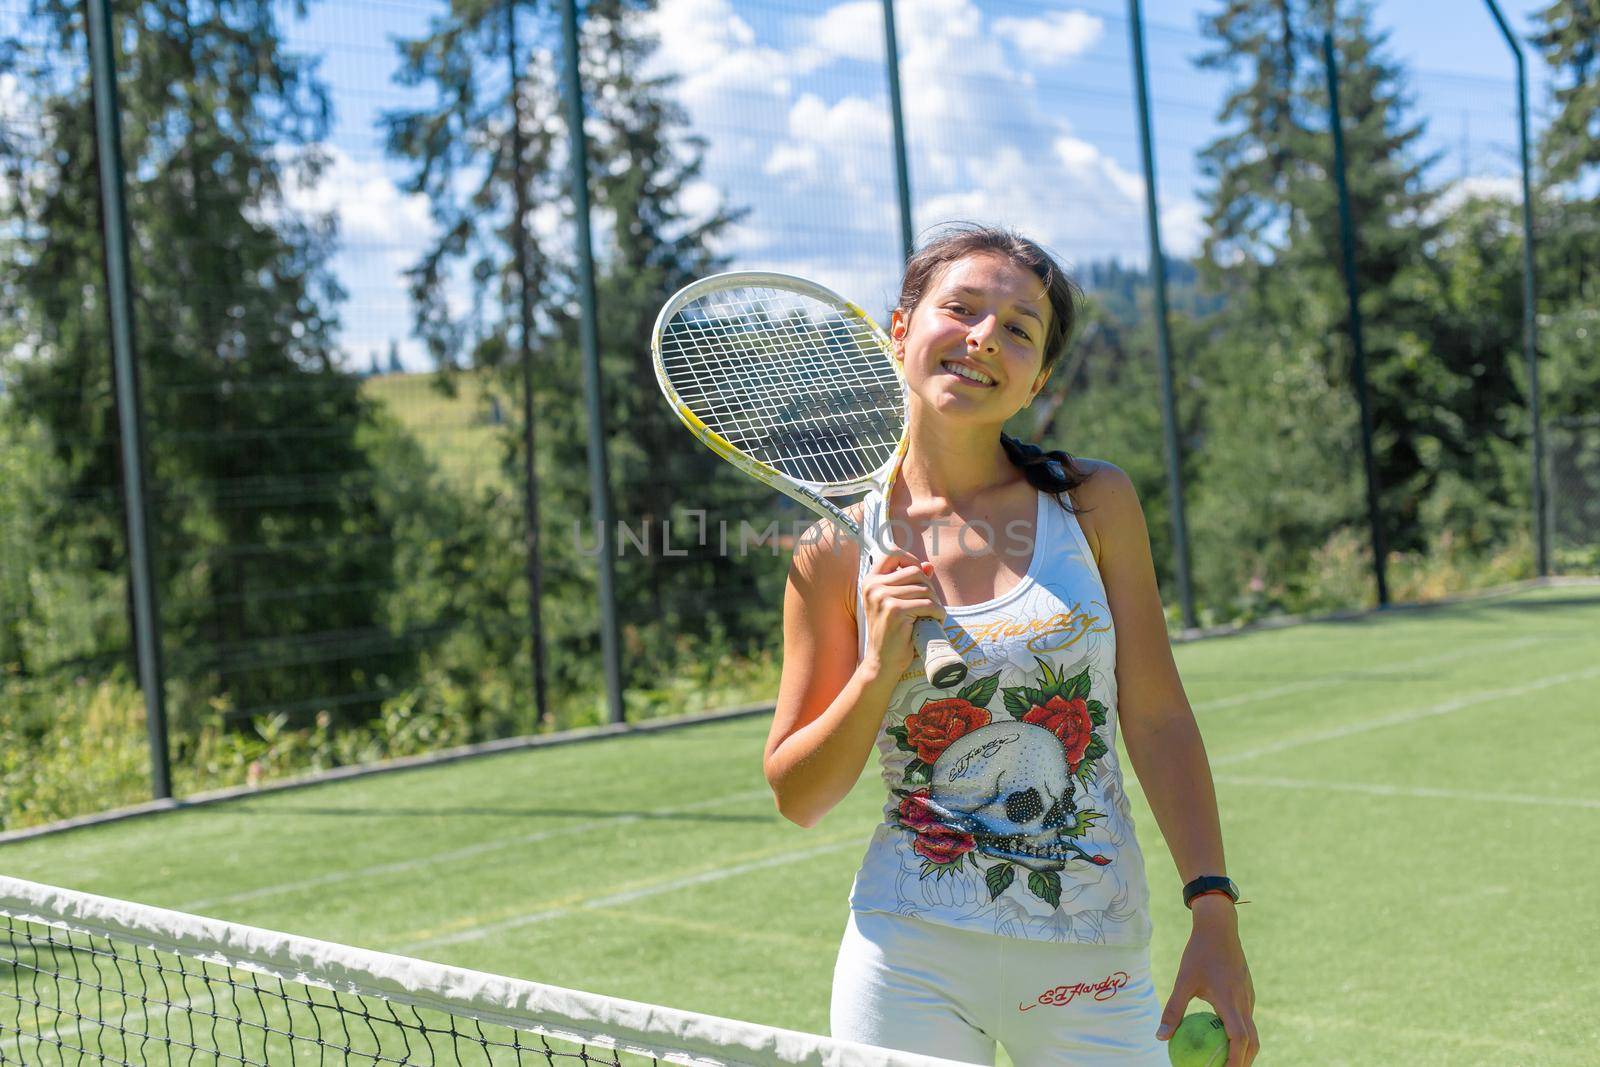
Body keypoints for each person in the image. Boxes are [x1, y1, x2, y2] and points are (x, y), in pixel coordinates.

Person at [762, 226, 1258, 1066]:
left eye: (1020, 329)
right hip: (906, 951)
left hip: (1092, 953)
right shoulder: (830, 551)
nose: (985, 335)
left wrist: (1213, 908)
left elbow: (1159, 714)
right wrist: (879, 667)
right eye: (960, 308)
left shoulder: (1094, 504)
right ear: (900, 329)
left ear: (1038, 380)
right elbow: (800, 793)